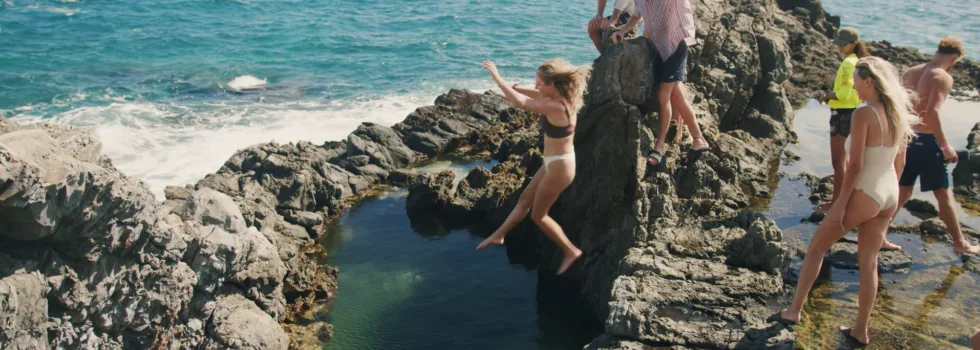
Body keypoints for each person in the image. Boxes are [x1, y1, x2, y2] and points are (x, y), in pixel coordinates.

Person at [780, 56, 921, 346]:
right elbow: (901, 161)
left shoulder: (863, 113)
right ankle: (860, 330)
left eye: (855, 80)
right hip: (889, 193)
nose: (852, 86)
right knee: (868, 262)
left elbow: (854, 166)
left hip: (866, 191)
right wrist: (887, 195)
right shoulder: (896, 111)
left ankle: (794, 311)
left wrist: (839, 205)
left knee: (817, 247)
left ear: (869, 81)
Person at [476, 58, 591, 275]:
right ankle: (499, 235)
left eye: (539, 82)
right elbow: (529, 94)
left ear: (553, 84)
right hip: (554, 163)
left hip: (560, 167)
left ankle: (570, 250)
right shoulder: (560, 96)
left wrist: (498, 78)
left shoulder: (556, 105)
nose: (536, 86)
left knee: (539, 216)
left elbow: (522, 103)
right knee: (524, 199)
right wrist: (516, 87)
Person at [889, 37, 980, 254]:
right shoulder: (942, 76)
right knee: (943, 194)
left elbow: (900, 105)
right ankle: (960, 243)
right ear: (954, 58)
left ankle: (878, 233)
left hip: (907, 137)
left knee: (902, 190)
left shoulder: (911, 71)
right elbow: (933, 113)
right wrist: (945, 145)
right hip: (927, 141)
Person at [610, 0, 710, 166]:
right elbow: (636, 17)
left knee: (664, 95)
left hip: (676, 45)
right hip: (658, 47)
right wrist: (622, 30)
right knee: (676, 95)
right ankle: (699, 140)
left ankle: (660, 146)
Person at [814, 28, 871, 214]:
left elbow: (844, 94)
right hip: (853, 113)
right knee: (846, 161)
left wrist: (827, 95)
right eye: (838, 43)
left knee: (838, 162)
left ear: (853, 43)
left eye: (842, 44)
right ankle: (840, 201)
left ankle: (837, 204)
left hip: (842, 115)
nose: (839, 47)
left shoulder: (848, 63)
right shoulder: (859, 62)